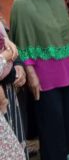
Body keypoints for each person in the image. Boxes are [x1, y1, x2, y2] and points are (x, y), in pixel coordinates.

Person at [10, 0, 69, 160]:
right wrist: (31, 74)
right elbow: (22, 44)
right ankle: (55, 155)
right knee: (52, 115)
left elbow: (65, 31)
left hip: (66, 66)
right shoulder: (21, 6)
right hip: (44, 72)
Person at [0, 21, 28, 159]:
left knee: (15, 143)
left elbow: (9, 44)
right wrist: (5, 56)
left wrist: (18, 65)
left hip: (9, 90)